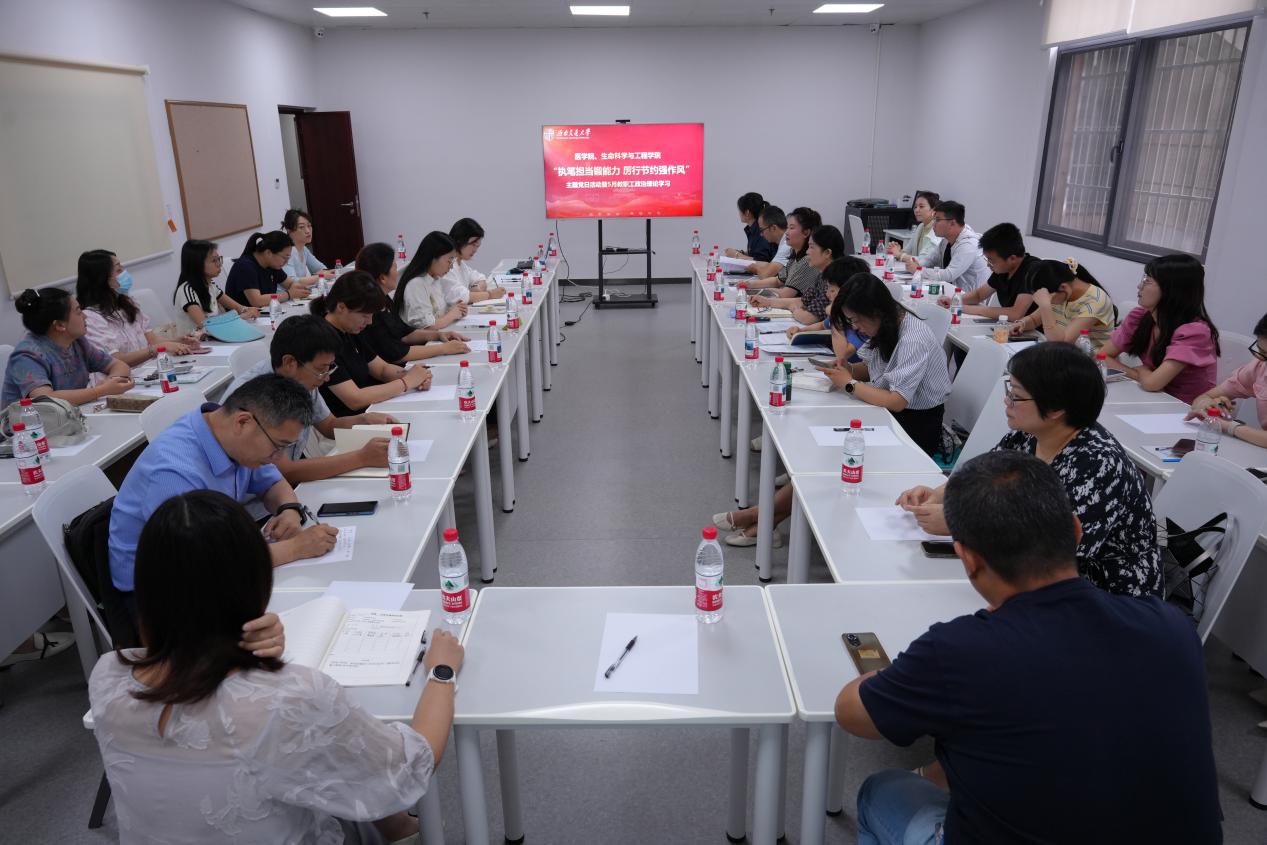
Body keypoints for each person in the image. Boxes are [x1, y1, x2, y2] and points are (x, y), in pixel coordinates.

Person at [838, 450, 1222, 845]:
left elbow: (851, 713)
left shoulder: (960, 650)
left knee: (881, 791)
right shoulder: (1172, 627)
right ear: (1076, 531)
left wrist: (904, 672)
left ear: (967, 559)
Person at [91, 489, 463, 844]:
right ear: (256, 579)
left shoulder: (107, 678)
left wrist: (244, 652)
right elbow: (411, 766)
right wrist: (441, 672)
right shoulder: (289, 698)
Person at [897, 342, 1162, 597]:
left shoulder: (1099, 464)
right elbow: (980, 477)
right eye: (1009, 390)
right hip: (1032, 578)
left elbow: (1057, 551)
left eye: (1016, 395)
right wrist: (937, 494)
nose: (1006, 401)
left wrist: (961, 524)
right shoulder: (1028, 435)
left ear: (1056, 408)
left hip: (1104, 595)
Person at [108, 373, 340, 598]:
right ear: (243, 421)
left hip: (215, 553)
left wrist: (288, 509)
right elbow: (206, 565)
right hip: (161, 592)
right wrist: (296, 548)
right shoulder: (175, 473)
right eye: (278, 446)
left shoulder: (229, 435)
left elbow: (272, 482)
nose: (279, 457)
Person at [224, 315, 401, 484]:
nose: (326, 378)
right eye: (321, 369)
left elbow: (328, 426)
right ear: (290, 362)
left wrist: (363, 420)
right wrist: (361, 458)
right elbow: (285, 472)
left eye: (329, 368)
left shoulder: (298, 378)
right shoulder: (254, 398)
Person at [817, 273, 952, 455]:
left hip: (915, 425)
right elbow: (870, 368)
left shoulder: (913, 340)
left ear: (874, 312)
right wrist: (848, 369)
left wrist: (849, 384)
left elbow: (896, 401)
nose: (855, 327)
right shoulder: (886, 324)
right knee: (833, 428)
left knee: (846, 445)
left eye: (855, 320)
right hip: (891, 411)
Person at [1099, 254, 1219, 404]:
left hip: (1185, 408)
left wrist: (1144, 372)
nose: (1139, 286)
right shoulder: (1140, 317)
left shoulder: (1195, 332)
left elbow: (1153, 384)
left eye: (1147, 281)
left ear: (1172, 290)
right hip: (1150, 398)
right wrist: (1139, 374)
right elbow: (1102, 357)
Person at [313, 270, 433, 417]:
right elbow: (354, 399)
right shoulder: (322, 340)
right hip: (350, 421)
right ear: (341, 307)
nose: (369, 322)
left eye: (371, 316)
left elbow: (382, 369)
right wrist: (406, 382)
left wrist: (413, 375)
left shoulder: (350, 329)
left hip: (372, 410)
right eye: (364, 315)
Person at [2, 287, 133, 407]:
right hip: (29, 423)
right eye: (78, 312)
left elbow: (118, 365)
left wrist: (110, 382)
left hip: (70, 416)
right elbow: (45, 399)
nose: (85, 316)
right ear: (59, 325)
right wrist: (100, 391)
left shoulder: (78, 342)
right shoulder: (27, 355)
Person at [76, 249, 197, 370]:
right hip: (124, 377)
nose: (125, 273)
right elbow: (116, 360)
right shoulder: (90, 318)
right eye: (118, 270)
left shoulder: (127, 304)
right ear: (102, 279)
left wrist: (178, 341)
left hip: (150, 369)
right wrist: (158, 348)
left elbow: (152, 340)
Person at [357, 242, 472, 364]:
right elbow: (396, 353)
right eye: (395, 267)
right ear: (382, 278)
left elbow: (404, 333)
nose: (397, 272)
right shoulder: (371, 311)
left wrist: (439, 335)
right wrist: (443, 348)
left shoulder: (384, 299)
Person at [1186, 312, 1267, 448]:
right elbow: (1204, 397)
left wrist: (1228, 426)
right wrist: (1209, 406)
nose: (1260, 358)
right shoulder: (1259, 367)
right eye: (1260, 350)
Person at [937, 222, 1039, 321]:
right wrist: (954, 301)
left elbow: (1016, 314)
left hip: (1037, 331)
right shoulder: (1003, 269)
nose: (988, 264)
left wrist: (969, 309)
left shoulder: (1033, 271)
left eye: (991, 260)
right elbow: (979, 295)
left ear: (1012, 258)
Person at [1010, 257, 1116, 349]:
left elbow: (1061, 342)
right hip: (1067, 354)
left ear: (1063, 287)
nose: (1048, 301)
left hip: (1093, 361)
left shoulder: (1094, 302)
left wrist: (1045, 306)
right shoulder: (1061, 293)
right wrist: (1021, 323)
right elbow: (1034, 320)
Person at [171, 239, 259, 336]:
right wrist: (242, 317)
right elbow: (206, 326)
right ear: (197, 264)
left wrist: (247, 310)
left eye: (218, 259)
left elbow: (239, 308)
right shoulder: (187, 290)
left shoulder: (210, 284)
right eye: (214, 260)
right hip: (195, 342)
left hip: (212, 339)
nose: (219, 264)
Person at [903, 200, 989, 293]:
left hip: (968, 297)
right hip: (949, 291)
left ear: (952, 223)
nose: (933, 224)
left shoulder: (969, 245)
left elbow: (949, 275)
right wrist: (917, 263)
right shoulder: (946, 239)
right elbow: (930, 260)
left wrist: (918, 270)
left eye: (937, 220)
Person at [396, 231, 468, 331]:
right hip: (425, 340)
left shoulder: (435, 280)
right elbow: (426, 328)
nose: (451, 267)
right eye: (449, 260)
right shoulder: (416, 284)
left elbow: (436, 315)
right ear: (433, 257)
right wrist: (452, 315)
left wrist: (454, 309)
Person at [748, 207, 823, 303]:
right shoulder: (794, 256)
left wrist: (754, 292)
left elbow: (785, 294)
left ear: (806, 232)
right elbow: (777, 280)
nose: (786, 232)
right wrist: (750, 284)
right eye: (787, 227)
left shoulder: (807, 261)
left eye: (791, 228)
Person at [783, 224, 847, 325]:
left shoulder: (836, 279)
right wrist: (767, 302)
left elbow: (808, 318)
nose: (807, 252)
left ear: (827, 253)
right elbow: (803, 301)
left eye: (811, 247)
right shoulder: (822, 275)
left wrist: (795, 310)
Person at [224, 230, 305, 308]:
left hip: (265, 312)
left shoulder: (272, 264)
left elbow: (290, 283)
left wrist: (298, 288)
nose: (286, 262)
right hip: (243, 315)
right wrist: (288, 294)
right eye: (284, 258)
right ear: (268, 253)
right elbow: (257, 301)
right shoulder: (245, 266)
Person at [440, 218, 506, 305]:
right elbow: (461, 297)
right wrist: (490, 294)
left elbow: (481, 278)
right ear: (460, 240)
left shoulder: (461, 264)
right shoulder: (447, 267)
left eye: (477, 246)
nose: (475, 250)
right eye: (473, 245)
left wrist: (477, 288)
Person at [886, 190, 941, 267]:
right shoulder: (921, 226)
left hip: (930, 272)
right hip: (916, 271)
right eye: (915, 207)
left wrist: (898, 254)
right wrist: (898, 250)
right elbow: (907, 252)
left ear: (933, 210)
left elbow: (923, 260)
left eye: (921, 206)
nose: (916, 210)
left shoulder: (937, 230)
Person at [280, 209, 326, 292]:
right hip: (286, 296)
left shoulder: (303, 249)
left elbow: (320, 268)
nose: (308, 231)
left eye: (309, 226)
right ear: (289, 230)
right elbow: (292, 281)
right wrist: (321, 276)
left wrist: (330, 272)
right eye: (301, 227)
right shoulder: (288, 252)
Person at [723, 191, 776, 263]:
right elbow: (755, 254)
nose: (739, 213)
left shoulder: (761, 231)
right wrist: (741, 253)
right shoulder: (752, 229)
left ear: (747, 212)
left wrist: (736, 255)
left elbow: (761, 261)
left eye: (740, 210)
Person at [745, 204, 792, 277]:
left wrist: (756, 268)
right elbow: (770, 265)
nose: (761, 234)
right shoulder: (782, 242)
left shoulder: (786, 245)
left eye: (762, 230)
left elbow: (766, 274)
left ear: (773, 228)